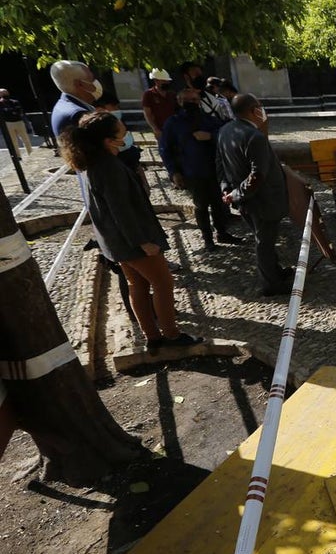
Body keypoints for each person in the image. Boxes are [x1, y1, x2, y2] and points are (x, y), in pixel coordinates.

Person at [58, 112, 201, 351]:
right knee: (163, 283)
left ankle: (152, 337)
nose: (125, 131)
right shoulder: (108, 167)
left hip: (118, 242)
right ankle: (172, 336)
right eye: (121, 130)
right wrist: (142, 242)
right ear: (108, 140)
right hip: (132, 241)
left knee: (137, 285)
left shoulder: (95, 162)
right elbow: (121, 210)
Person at [216, 93, 293, 296]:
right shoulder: (254, 137)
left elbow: (220, 164)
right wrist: (235, 194)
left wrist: (226, 189)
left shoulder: (225, 130)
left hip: (244, 200)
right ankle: (271, 284)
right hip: (262, 200)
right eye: (260, 107)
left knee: (264, 238)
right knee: (264, 242)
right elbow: (257, 174)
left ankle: (275, 272)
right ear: (254, 110)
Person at [161, 89, 243, 253]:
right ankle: (207, 239)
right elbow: (165, 149)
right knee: (201, 206)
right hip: (191, 172)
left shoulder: (208, 120)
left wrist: (210, 136)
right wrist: (174, 172)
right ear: (180, 102)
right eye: (187, 100)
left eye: (194, 99)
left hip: (214, 170)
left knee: (219, 204)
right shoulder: (173, 123)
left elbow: (225, 133)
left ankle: (222, 232)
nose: (192, 103)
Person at [50, 59, 102, 139]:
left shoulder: (65, 104)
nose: (96, 82)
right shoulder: (78, 115)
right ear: (80, 84)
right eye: (91, 79)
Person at [141, 67, 177, 143]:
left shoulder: (172, 95)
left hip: (174, 128)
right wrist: (155, 129)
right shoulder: (149, 94)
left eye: (167, 81)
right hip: (160, 129)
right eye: (164, 81)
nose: (166, 83)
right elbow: (147, 114)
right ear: (156, 81)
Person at [0, 88, 33, 157]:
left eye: (6, 92)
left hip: (19, 122)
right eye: (3, 93)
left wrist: (9, 111)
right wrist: (11, 112)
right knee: (13, 141)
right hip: (8, 123)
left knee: (25, 139)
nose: (5, 94)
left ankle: (31, 153)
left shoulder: (14, 102)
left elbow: (19, 112)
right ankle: (17, 156)